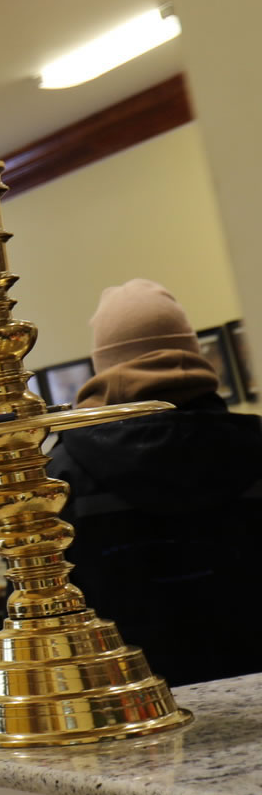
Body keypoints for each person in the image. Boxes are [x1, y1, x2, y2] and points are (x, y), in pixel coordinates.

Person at [47, 279, 262, 685]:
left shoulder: (61, 473)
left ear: (103, 366)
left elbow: (44, 623)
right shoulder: (256, 447)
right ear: (192, 354)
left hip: (127, 702)